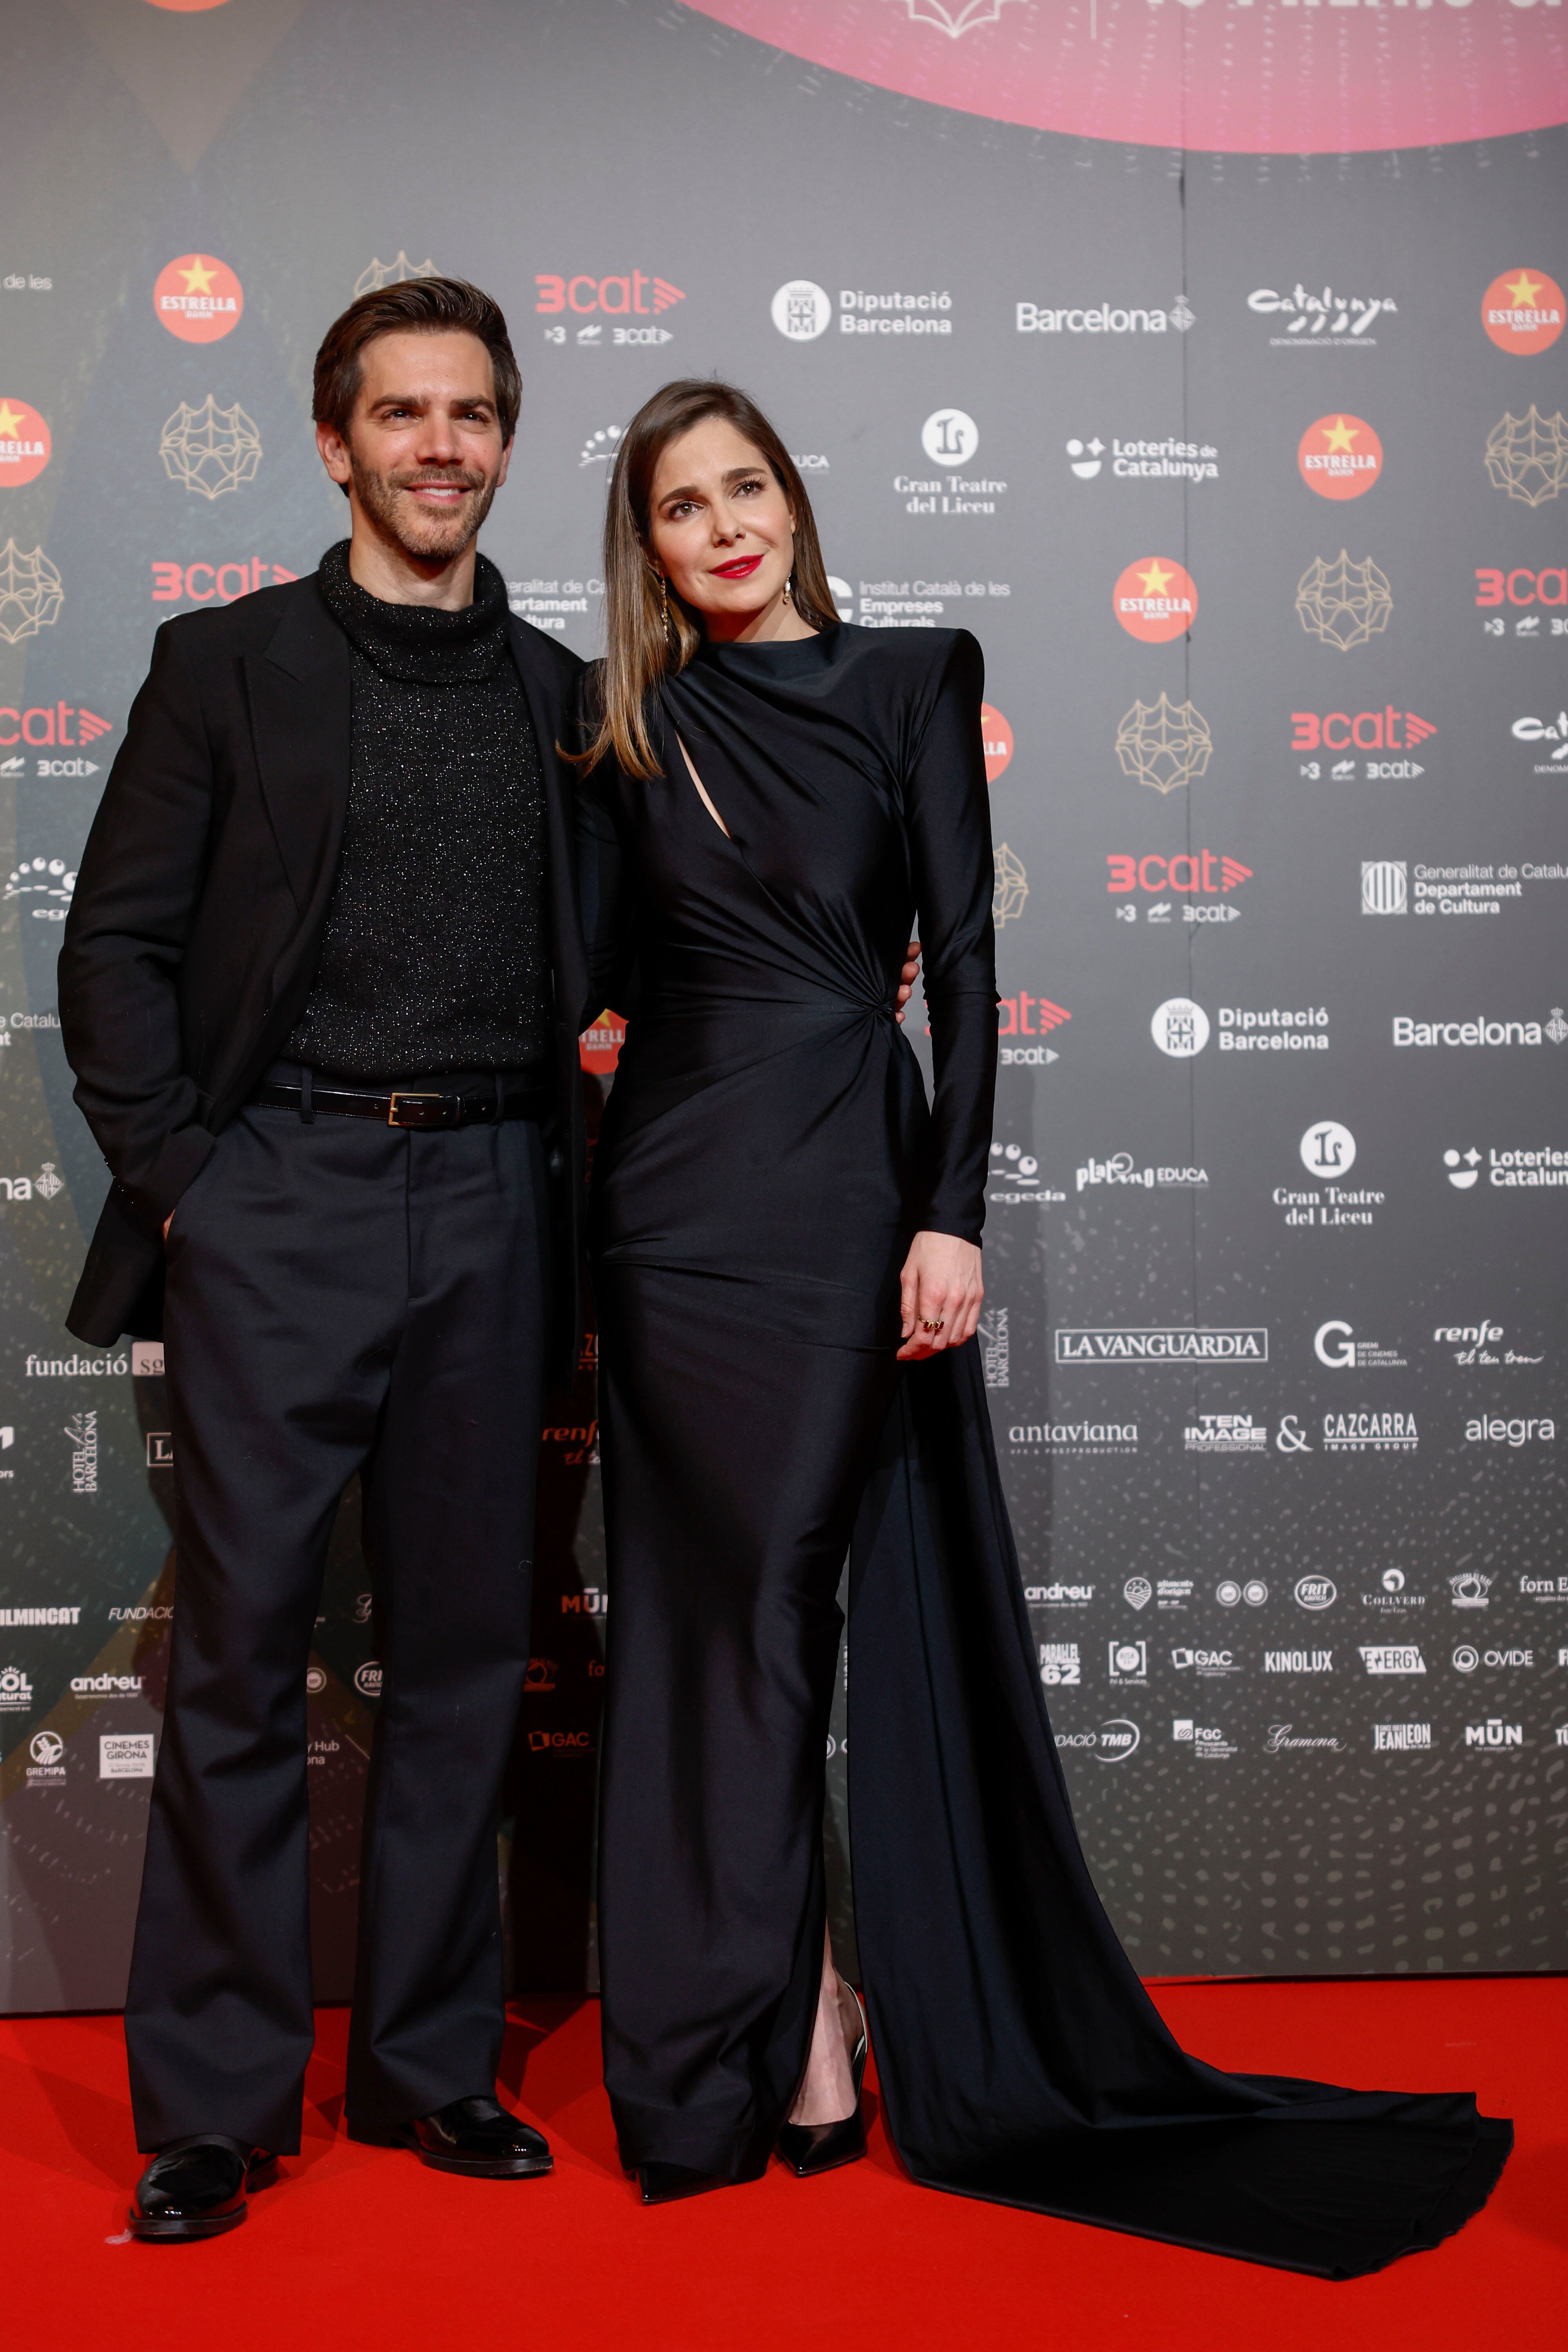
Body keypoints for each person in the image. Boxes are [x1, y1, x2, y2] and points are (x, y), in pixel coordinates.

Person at [573, 378, 1511, 2271]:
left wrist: (952, 1213)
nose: (723, 528)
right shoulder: (624, 727)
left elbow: (971, 969)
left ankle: (785, 2024)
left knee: (780, 1602)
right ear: (647, 546)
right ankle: (793, 2013)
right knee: (694, 1619)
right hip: (667, 1209)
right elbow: (590, 973)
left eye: (745, 488)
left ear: (792, 501)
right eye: (681, 507)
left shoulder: (914, 677)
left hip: (845, 1192)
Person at [59, 278, 590, 2239]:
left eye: (472, 414)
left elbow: (644, 948)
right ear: (335, 441)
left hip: (495, 1201)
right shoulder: (224, 665)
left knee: (460, 1660)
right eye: (402, 413)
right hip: (277, 1197)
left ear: (506, 441)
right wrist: (191, 1183)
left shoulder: (565, 700)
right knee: (238, 1661)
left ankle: (431, 2069)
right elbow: (113, 947)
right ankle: (215, 2106)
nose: (440, 446)